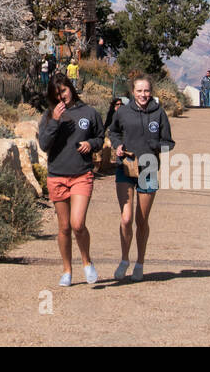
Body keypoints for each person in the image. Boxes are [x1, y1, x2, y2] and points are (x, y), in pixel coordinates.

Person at [37, 74, 104, 286]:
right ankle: (67, 269)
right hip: (57, 175)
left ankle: (87, 262)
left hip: (81, 174)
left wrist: (91, 144)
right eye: (57, 95)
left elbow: (100, 138)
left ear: (71, 89)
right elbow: (44, 144)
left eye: (64, 91)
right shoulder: (49, 116)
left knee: (78, 224)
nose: (61, 97)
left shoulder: (89, 112)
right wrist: (55, 120)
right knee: (64, 227)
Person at [107, 74, 175, 281]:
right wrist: (117, 145)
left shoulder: (159, 113)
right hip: (125, 167)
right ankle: (124, 259)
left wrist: (153, 146)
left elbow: (169, 143)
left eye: (146, 91)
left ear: (151, 91)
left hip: (148, 168)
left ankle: (140, 263)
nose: (143, 94)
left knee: (141, 220)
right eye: (139, 91)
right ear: (132, 92)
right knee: (126, 218)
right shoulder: (123, 112)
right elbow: (113, 132)